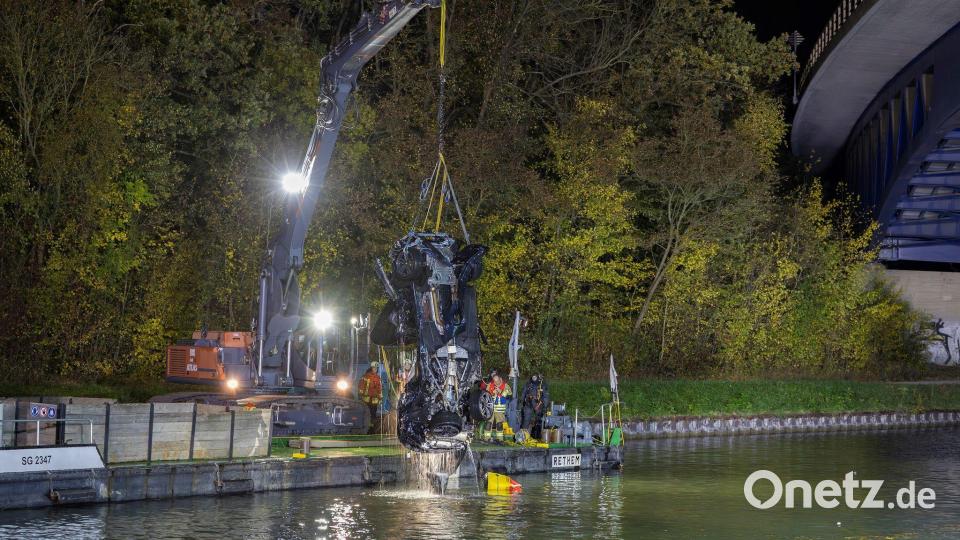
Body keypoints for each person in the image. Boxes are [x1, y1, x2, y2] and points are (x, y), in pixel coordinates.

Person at [520, 374, 549, 440]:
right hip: (528, 403)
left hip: (538, 404)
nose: (534, 378)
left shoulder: (542, 385)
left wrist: (545, 406)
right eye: (533, 377)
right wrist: (521, 403)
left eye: (535, 377)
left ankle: (538, 437)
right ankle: (523, 437)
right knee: (526, 420)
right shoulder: (528, 384)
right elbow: (523, 394)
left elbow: (546, 396)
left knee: (539, 421)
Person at [359, 362, 383, 434]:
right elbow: (361, 386)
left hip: (374, 399)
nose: (375, 369)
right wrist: (361, 394)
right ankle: (364, 428)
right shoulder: (366, 376)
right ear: (371, 368)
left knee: (373, 414)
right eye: (374, 368)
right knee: (366, 413)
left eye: (376, 368)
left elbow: (379, 388)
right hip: (366, 399)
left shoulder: (378, 378)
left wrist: (380, 397)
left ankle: (371, 429)